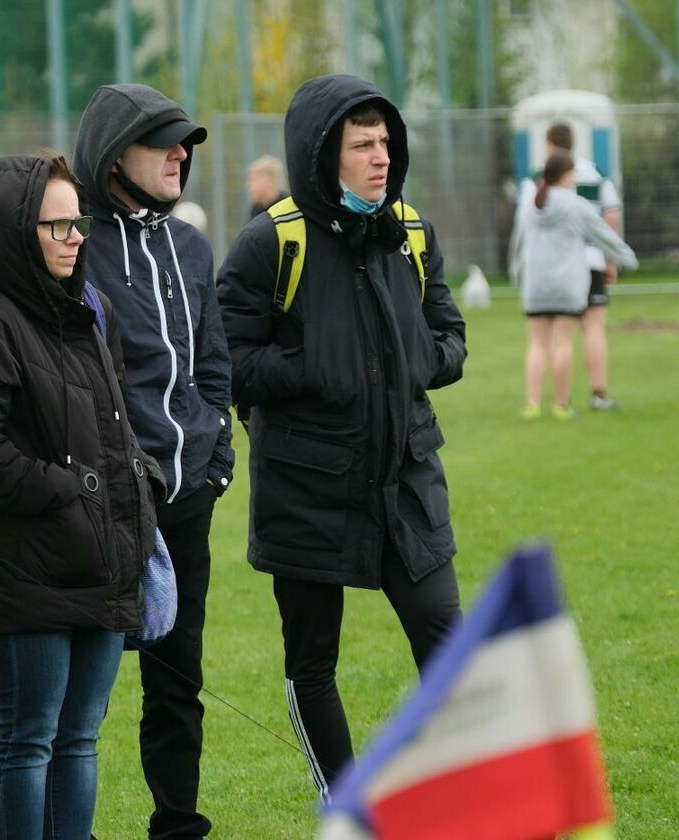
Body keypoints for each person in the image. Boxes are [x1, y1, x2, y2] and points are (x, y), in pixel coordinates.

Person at [217, 75, 465, 801]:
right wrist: (306, 368)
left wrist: (418, 358)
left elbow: (451, 338)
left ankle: (459, 797)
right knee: (312, 662)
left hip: (406, 480)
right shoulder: (271, 243)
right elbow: (226, 360)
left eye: (385, 142)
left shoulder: (410, 232)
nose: (380, 158)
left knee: (447, 642)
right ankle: (346, 803)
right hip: (307, 487)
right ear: (324, 155)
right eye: (362, 145)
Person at [0, 152, 163, 839]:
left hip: (100, 556)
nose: (74, 237)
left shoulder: (86, 312)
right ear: (13, 232)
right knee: (29, 738)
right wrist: (65, 492)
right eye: (55, 225)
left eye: (78, 223)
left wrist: (134, 483)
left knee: (80, 739)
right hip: (30, 567)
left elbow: (112, 423)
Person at [73, 84, 234, 840]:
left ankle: (177, 825)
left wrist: (216, 459)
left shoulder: (192, 247)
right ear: (112, 158)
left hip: (188, 498)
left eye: (187, 141)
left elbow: (214, 366)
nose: (181, 153)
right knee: (82, 689)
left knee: (178, 682)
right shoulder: (71, 245)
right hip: (104, 502)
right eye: (164, 140)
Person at [509, 151, 637, 419]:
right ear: (566, 175)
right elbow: (602, 234)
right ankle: (561, 404)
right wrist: (627, 258)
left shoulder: (530, 204)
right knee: (562, 343)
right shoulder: (575, 204)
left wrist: (515, 271)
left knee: (537, 343)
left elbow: (518, 240)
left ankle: (532, 404)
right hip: (567, 284)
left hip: (536, 284)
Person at [246, 154, 288, 219]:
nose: (248, 185)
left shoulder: (287, 208)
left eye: (254, 179)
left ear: (269, 182)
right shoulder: (256, 209)